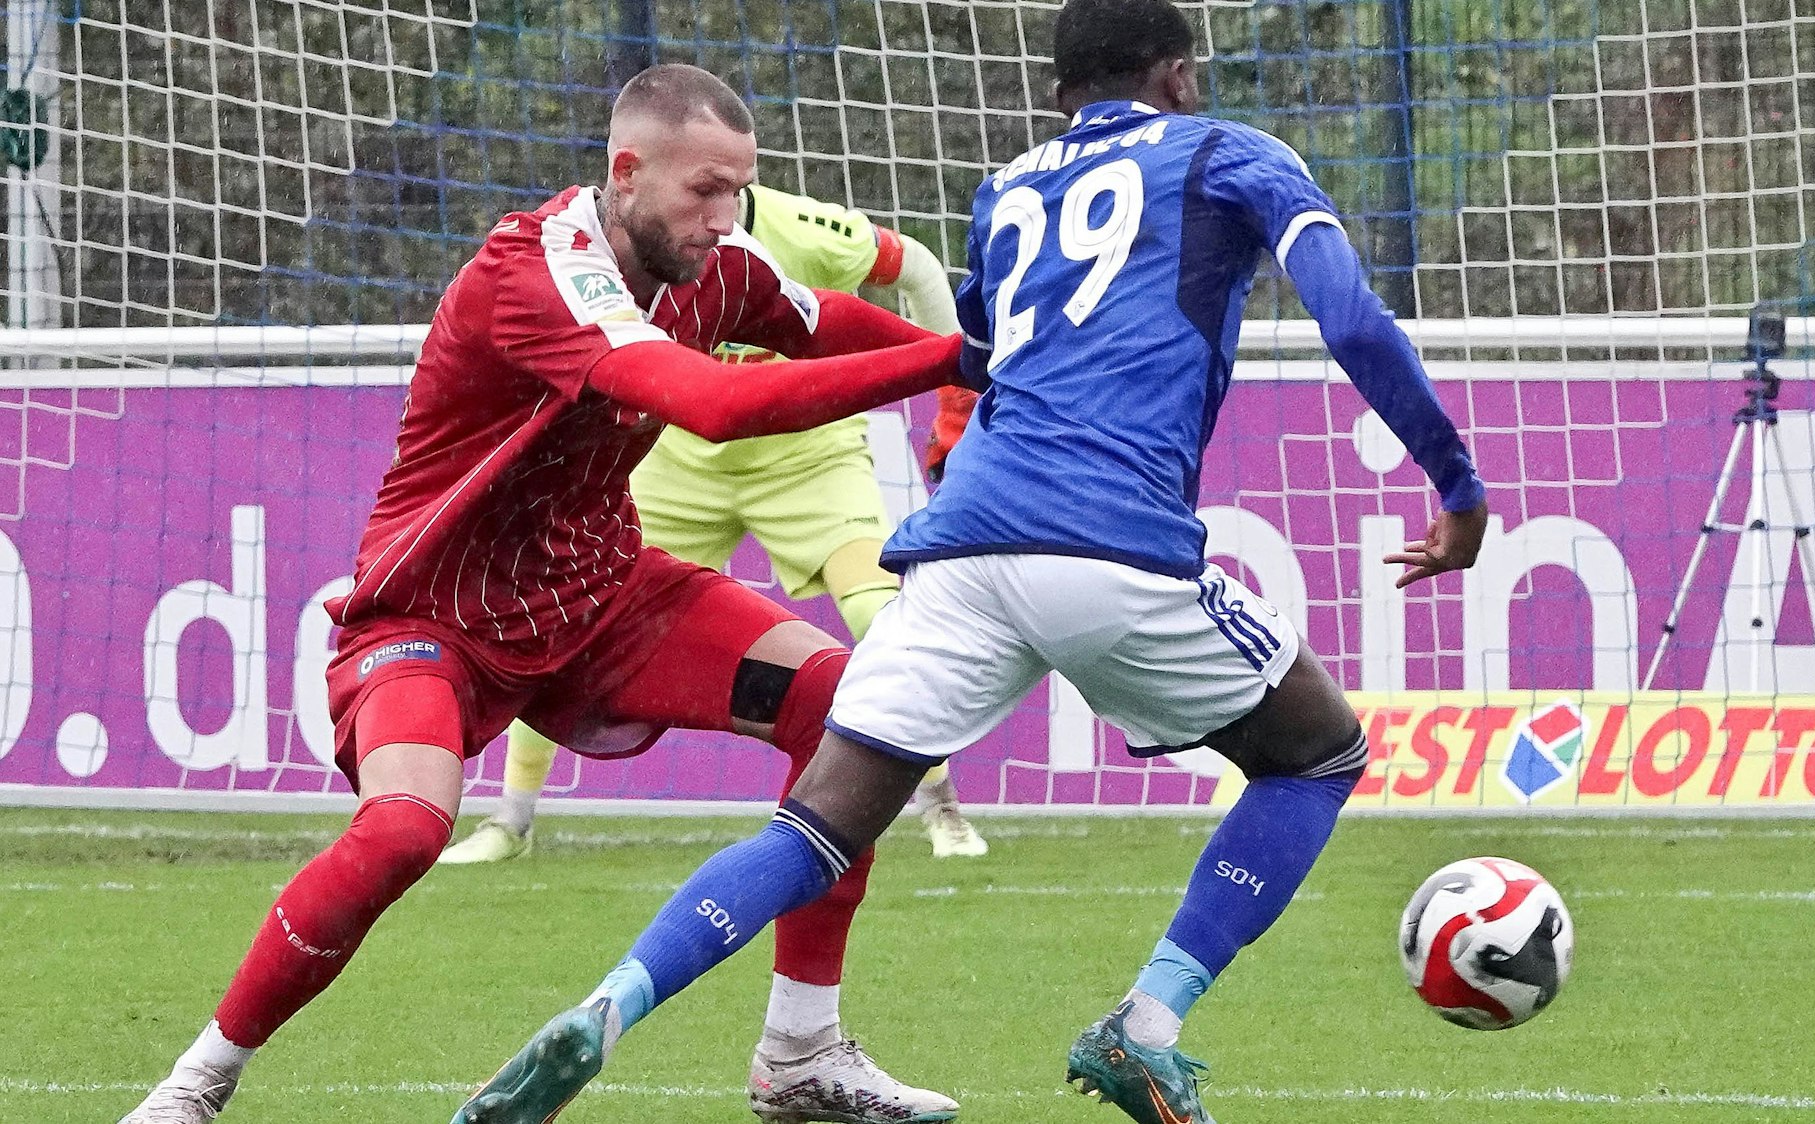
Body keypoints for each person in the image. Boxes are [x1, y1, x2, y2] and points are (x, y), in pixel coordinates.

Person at [451, 3, 1490, 1122]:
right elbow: (1352, 315)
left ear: (1059, 91)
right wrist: (1458, 487)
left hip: (962, 546)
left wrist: (956, 456)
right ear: (1180, 75)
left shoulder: (1011, 187)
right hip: (1111, 542)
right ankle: (1145, 1024)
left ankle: (608, 1004)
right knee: (1317, 753)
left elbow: (979, 350)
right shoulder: (1233, 155)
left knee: (816, 823)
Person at [119, 64, 964, 1124]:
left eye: (738, 191)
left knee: (850, 710)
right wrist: (947, 357)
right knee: (403, 831)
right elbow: (711, 403)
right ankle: (193, 1083)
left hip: (604, 595)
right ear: (626, 172)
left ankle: (800, 1051)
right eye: (704, 191)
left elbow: (816, 317)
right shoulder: (536, 271)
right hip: (436, 615)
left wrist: (981, 353)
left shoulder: (718, 263)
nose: (725, 216)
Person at [439, 181, 987, 867]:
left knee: (877, 613)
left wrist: (960, 392)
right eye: (696, 186)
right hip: (680, 456)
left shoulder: (799, 231)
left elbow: (915, 269)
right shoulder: (607, 251)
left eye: (723, 187)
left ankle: (943, 810)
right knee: (567, 613)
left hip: (804, 460)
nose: (712, 216)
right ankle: (509, 820)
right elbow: (697, 395)